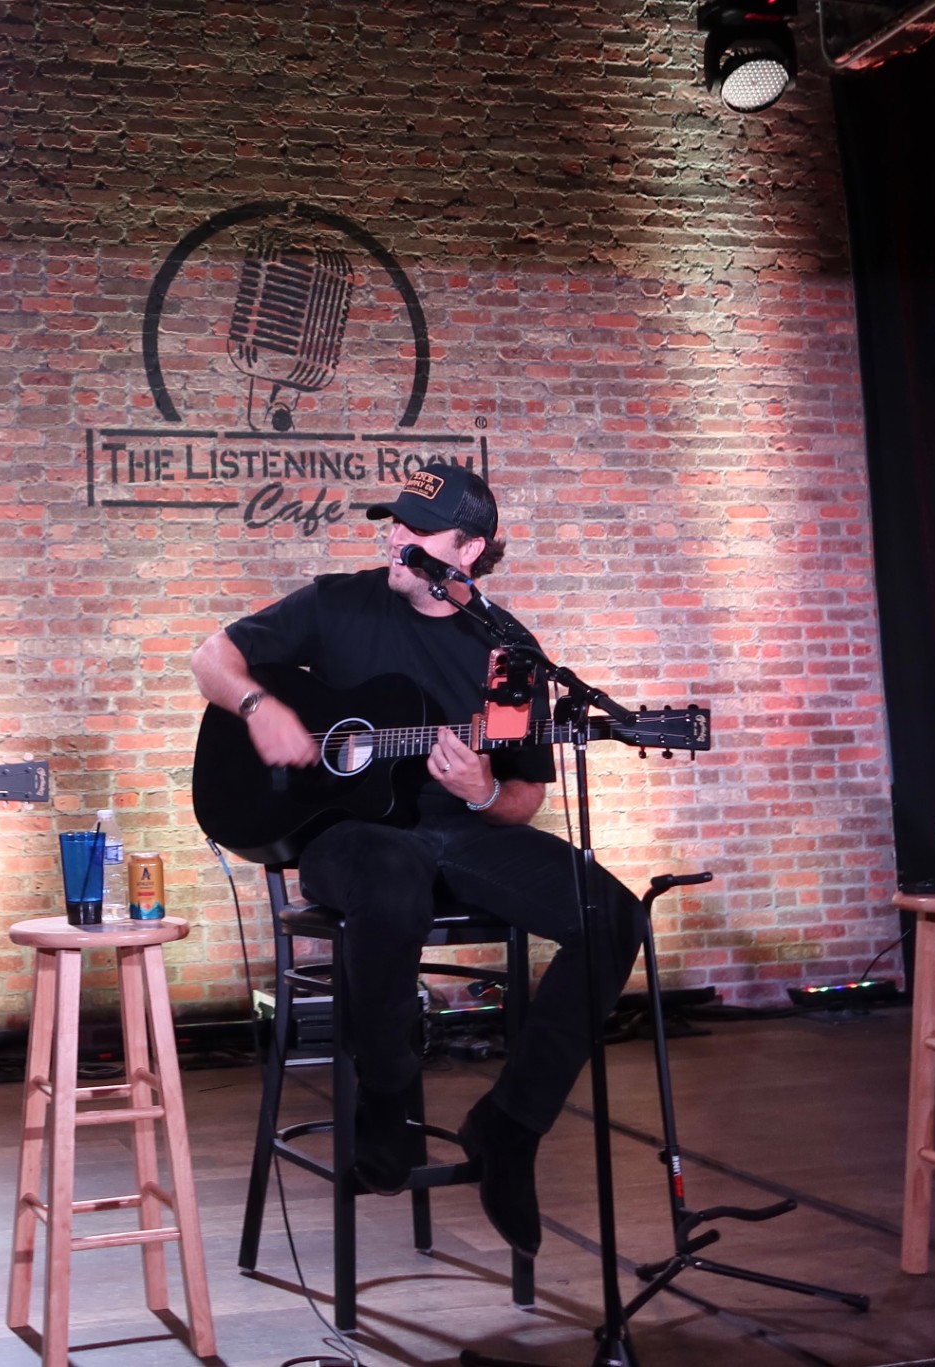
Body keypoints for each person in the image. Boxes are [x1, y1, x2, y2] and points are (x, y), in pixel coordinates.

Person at [190, 462, 644, 1258]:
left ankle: (511, 1123)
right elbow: (211, 658)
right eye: (393, 523)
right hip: (347, 839)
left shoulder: (508, 655)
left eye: (417, 530)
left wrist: (478, 792)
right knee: (394, 881)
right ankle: (388, 1098)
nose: (396, 538)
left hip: (466, 836)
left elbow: (523, 798)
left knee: (612, 913)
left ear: (469, 550)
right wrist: (261, 708)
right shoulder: (337, 602)